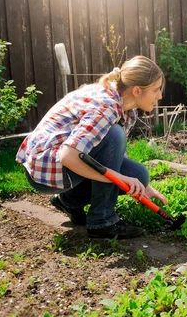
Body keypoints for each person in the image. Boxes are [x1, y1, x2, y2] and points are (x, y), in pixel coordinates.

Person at [16, 55, 167, 239]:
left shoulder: (126, 107)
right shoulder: (106, 107)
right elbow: (68, 156)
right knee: (115, 134)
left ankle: (68, 201)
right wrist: (118, 177)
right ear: (137, 91)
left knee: (139, 176)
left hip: (65, 160)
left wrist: (143, 187)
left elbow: (112, 154)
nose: (159, 96)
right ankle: (102, 221)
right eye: (156, 90)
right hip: (46, 167)